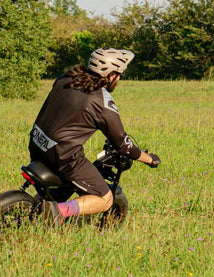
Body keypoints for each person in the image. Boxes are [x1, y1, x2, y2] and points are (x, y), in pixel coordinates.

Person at [28, 47, 160, 225]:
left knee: (66, 184)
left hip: (37, 144)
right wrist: (149, 159)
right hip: (63, 157)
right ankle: (58, 212)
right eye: (119, 74)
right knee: (105, 199)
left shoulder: (65, 79)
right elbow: (123, 145)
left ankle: (38, 208)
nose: (119, 79)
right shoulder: (102, 102)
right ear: (111, 75)